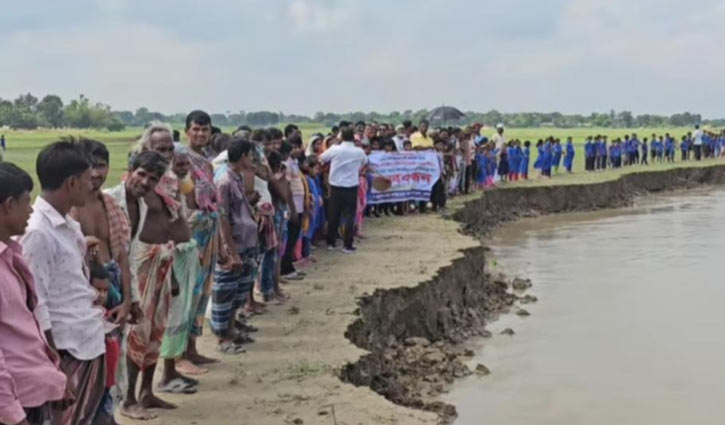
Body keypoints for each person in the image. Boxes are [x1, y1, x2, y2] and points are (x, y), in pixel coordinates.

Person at [20, 141, 107, 425]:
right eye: (86, 179)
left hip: (85, 340)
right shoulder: (38, 233)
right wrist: (54, 365)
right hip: (67, 350)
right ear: (71, 182)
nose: (92, 184)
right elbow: (36, 303)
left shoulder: (67, 224)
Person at [0, 162, 70, 425]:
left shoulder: (12, 255)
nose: (31, 210)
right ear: (8, 204)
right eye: (26, 202)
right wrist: (12, 414)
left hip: (31, 391)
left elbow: (28, 327)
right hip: (16, 403)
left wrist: (54, 376)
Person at [105, 151, 167, 421]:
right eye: (141, 174)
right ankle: (122, 404)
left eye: (152, 179)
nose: (145, 182)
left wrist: (133, 298)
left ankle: (120, 404)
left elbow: (126, 255)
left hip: (122, 284)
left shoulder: (140, 206)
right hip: (102, 286)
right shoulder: (108, 200)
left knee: (116, 351)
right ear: (130, 170)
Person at [179, 111, 221, 375]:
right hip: (189, 235)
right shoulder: (181, 160)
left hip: (208, 234)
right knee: (187, 295)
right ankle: (180, 354)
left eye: (204, 130)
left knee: (202, 293)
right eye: (195, 130)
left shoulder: (207, 162)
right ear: (187, 131)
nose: (200, 134)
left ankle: (192, 348)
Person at [213, 139, 260, 354]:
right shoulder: (224, 181)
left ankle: (231, 329)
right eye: (250, 155)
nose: (253, 159)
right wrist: (230, 250)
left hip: (246, 241)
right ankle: (223, 337)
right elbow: (222, 217)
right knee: (226, 292)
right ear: (243, 156)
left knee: (239, 290)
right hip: (236, 243)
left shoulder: (236, 178)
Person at [320, 126, 367, 253]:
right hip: (351, 186)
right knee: (349, 215)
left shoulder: (335, 149)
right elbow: (364, 162)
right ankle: (347, 244)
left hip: (335, 186)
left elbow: (322, 158)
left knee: (333, 215)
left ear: (341, 137)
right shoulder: (359, 151)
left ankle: (331, 243)